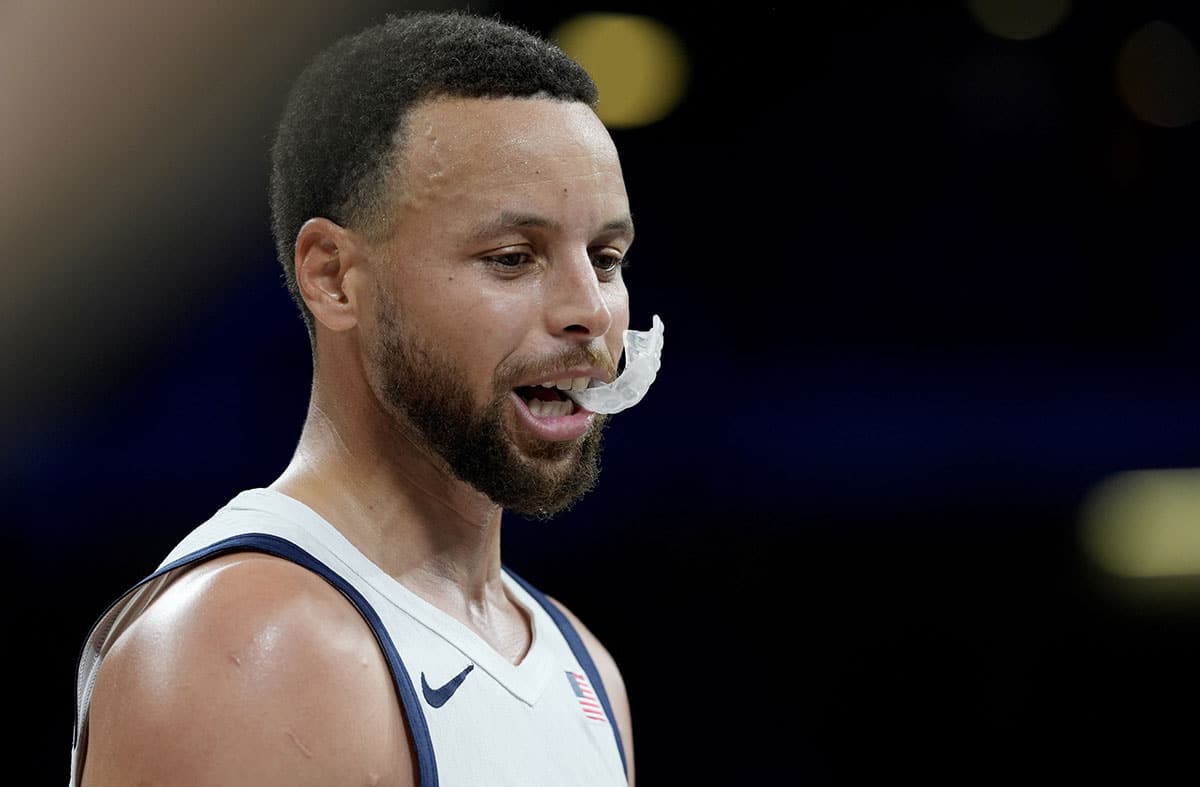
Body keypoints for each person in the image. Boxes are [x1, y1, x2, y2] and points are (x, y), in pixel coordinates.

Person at [68, 9, 660, 785]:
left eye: (606, 256)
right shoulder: (252, 648)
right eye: (514, 257)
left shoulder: (585, 670)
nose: (592, 311)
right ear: (333, 276)